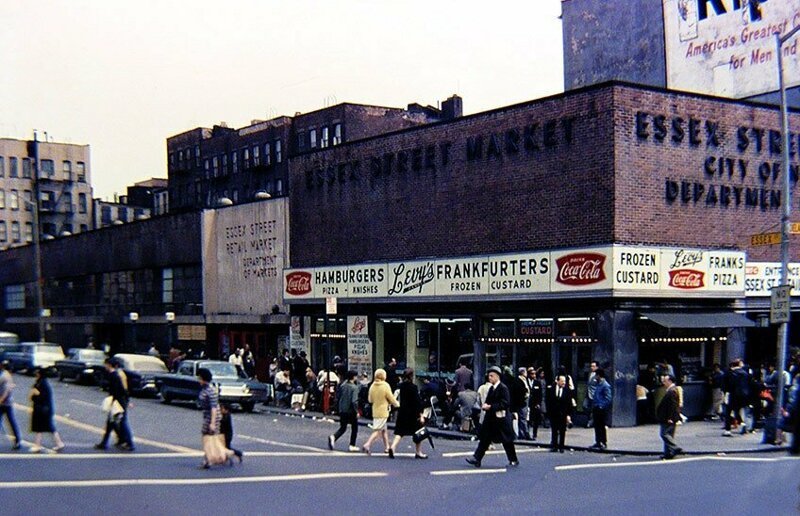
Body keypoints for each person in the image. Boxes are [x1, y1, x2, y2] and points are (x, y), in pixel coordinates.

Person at [466, 366, 518, 468]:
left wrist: (490, 406)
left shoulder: (503, 388)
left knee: (507, 441)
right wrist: (486, 405)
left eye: (491, 376)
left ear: (497, 377)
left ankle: (513, 459)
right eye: (489, 376)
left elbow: (505, 403)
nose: (489, 378)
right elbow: (488, 401)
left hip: (501, 419)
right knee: (485, 439)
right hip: (491, 420)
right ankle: (477, 458)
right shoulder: (491, 388)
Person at [197, 367, 235, 468]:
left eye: (200, 378)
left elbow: (214, 407)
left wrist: (213, 423)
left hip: (212, 416)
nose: (198, 380)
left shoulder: (211, 391)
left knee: (210, 436)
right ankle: (212, 457)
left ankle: (211, 458)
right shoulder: (204, 389)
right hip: (207, 415)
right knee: (208, 437)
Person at [96, 358, 134, 451]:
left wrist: (115, 402)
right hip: (119, 402)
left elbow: (119, 390)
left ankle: (129, 443)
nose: (105, 366)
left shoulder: (114, 376)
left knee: (121, 422)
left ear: (109, 365)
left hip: (118, 403)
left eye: (106, 364)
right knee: (111, 423)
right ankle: (115, 441)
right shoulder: (114, 375)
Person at [389, 368, 429, 459]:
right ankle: (418, 452)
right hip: (412, 414)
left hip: (402, 412)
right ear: (411, 376)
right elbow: (417, 402)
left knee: (400, 432)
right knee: (418, 433)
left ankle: (393, 447)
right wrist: (421, 414)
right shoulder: (413, 387)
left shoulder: (401, 386)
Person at [361, 368, 399, 456]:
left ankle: (387, 447)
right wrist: (397, 404)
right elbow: (391, 398)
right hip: (383, 411)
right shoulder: (385, 385)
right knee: (378, 430)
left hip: (375, 410)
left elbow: (370, 400)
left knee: (383, 430)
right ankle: (367, 444)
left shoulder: (372, 386)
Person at [29, 368, 65, 453]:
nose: (36, 374)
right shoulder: (40, 383)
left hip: (43, 409)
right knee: (46, 427)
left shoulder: (43, 384)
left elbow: (41, 397)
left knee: (41, 427)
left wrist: (35, 394)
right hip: (43, 409)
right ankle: (58, 443)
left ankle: (38, 445)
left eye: (37, 373)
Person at [329, 370, 360, 452]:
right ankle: (352, 445)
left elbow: (338, 397)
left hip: (342, 409)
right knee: (354, 428)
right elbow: (354, 401)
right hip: (351, 411)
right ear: (353, 377)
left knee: (343, 427)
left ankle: (334, 437)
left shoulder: (343, 386)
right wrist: (357, 411)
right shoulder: (354, 388)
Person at [656, 374, 683, 460]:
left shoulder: (672, 391)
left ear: (670, 381)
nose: (664, 383)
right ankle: (668, 453)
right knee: (669, 435)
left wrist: (670, 418)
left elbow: (673, 406)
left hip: (668, 418)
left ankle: (675, 447)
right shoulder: (672, 390)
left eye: (665, 381)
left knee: (664, 434)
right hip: (670, 417)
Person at [547, 374, 573, 453]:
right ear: (557, 381)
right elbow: (549, 401)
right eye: (562, 381)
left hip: (563, 414)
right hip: (554, 413)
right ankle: (554, 446)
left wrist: (568, 415)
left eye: (564, 381)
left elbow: (569, 404)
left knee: (562, 430)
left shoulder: (567, 390)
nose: (564, 383)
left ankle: (561, 446)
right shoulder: (552, 389)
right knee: (554, 430)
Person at [0, 360, 21, 450]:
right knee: (12, 422)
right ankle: (17, 440)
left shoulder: (4, 376)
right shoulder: (8, 376)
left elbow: (7, 390)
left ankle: (17, 440)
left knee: (11, 422)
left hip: (4, 403)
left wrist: (1, 399)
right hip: (7, 403)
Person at [590, 368, 612, 450]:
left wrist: (601, 405)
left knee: (601, 426)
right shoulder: (598, 384)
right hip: (596, 407)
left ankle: (603, 442)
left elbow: (608, 398)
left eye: (596, 375)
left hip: (601, 409)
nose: (595, 377)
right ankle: (598, 441)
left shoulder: (605, 385)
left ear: (599, 376)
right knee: (597, 426)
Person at [585, 361, 599, 428]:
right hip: (588, 394)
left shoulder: (598, 375)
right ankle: (590, 420)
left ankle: (591, 422)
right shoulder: (590, 374)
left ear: (597, 367)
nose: (592, 367)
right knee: (585, 406)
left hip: (594, 395)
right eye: (591, 366)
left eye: (593, 366)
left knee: (593, 409)